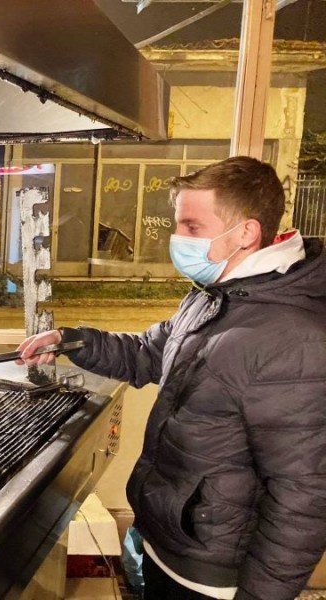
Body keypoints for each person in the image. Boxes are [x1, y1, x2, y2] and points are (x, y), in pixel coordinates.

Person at [18, 156, 326, 600]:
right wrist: (69, 341)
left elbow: (305, 494)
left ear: (246, 233)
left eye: (192, 227)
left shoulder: (294, 338)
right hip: (168, 539)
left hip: (210, 574)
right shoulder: (216, 297)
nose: (177, 239)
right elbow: (148, 353)